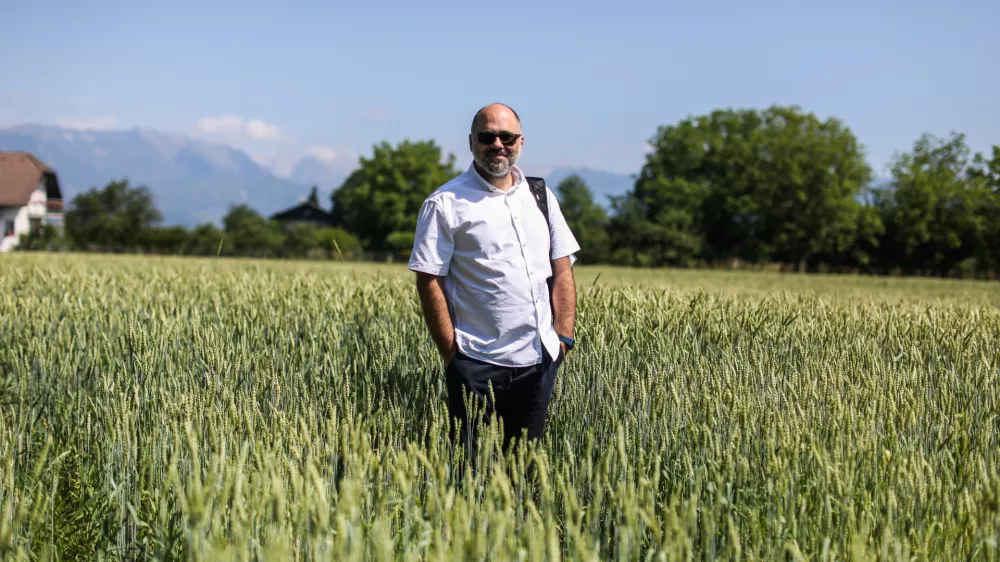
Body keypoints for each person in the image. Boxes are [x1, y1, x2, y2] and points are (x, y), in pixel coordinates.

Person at [408, 103, 580, 460]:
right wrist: (453, 356)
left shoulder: (540, 197)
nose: (498, 144)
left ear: (521, 142)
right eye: (488, 137)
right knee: (471, 476)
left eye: (507, 137)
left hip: (538, 361)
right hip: (477, 363)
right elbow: (428, 281)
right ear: (471, 142)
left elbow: (562, 269)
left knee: (523, 473)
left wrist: (563, 338)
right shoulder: (444, 203)